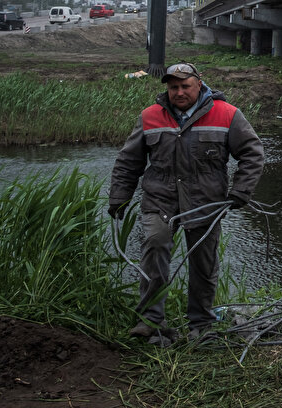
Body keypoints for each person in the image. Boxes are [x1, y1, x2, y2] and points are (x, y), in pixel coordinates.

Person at [109, 62, 264, 343]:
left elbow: (252, 153)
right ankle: (150, 322)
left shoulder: (227, 114)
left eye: (185, 86)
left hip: (206, 202)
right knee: (155, 247)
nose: (179, 92)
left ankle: (201, 324)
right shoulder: (149, 116)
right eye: (173, 87)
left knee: (204, 263)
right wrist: (120, 197)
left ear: (199, 84)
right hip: (160, 200)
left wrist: (241, 190)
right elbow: (128, 161)